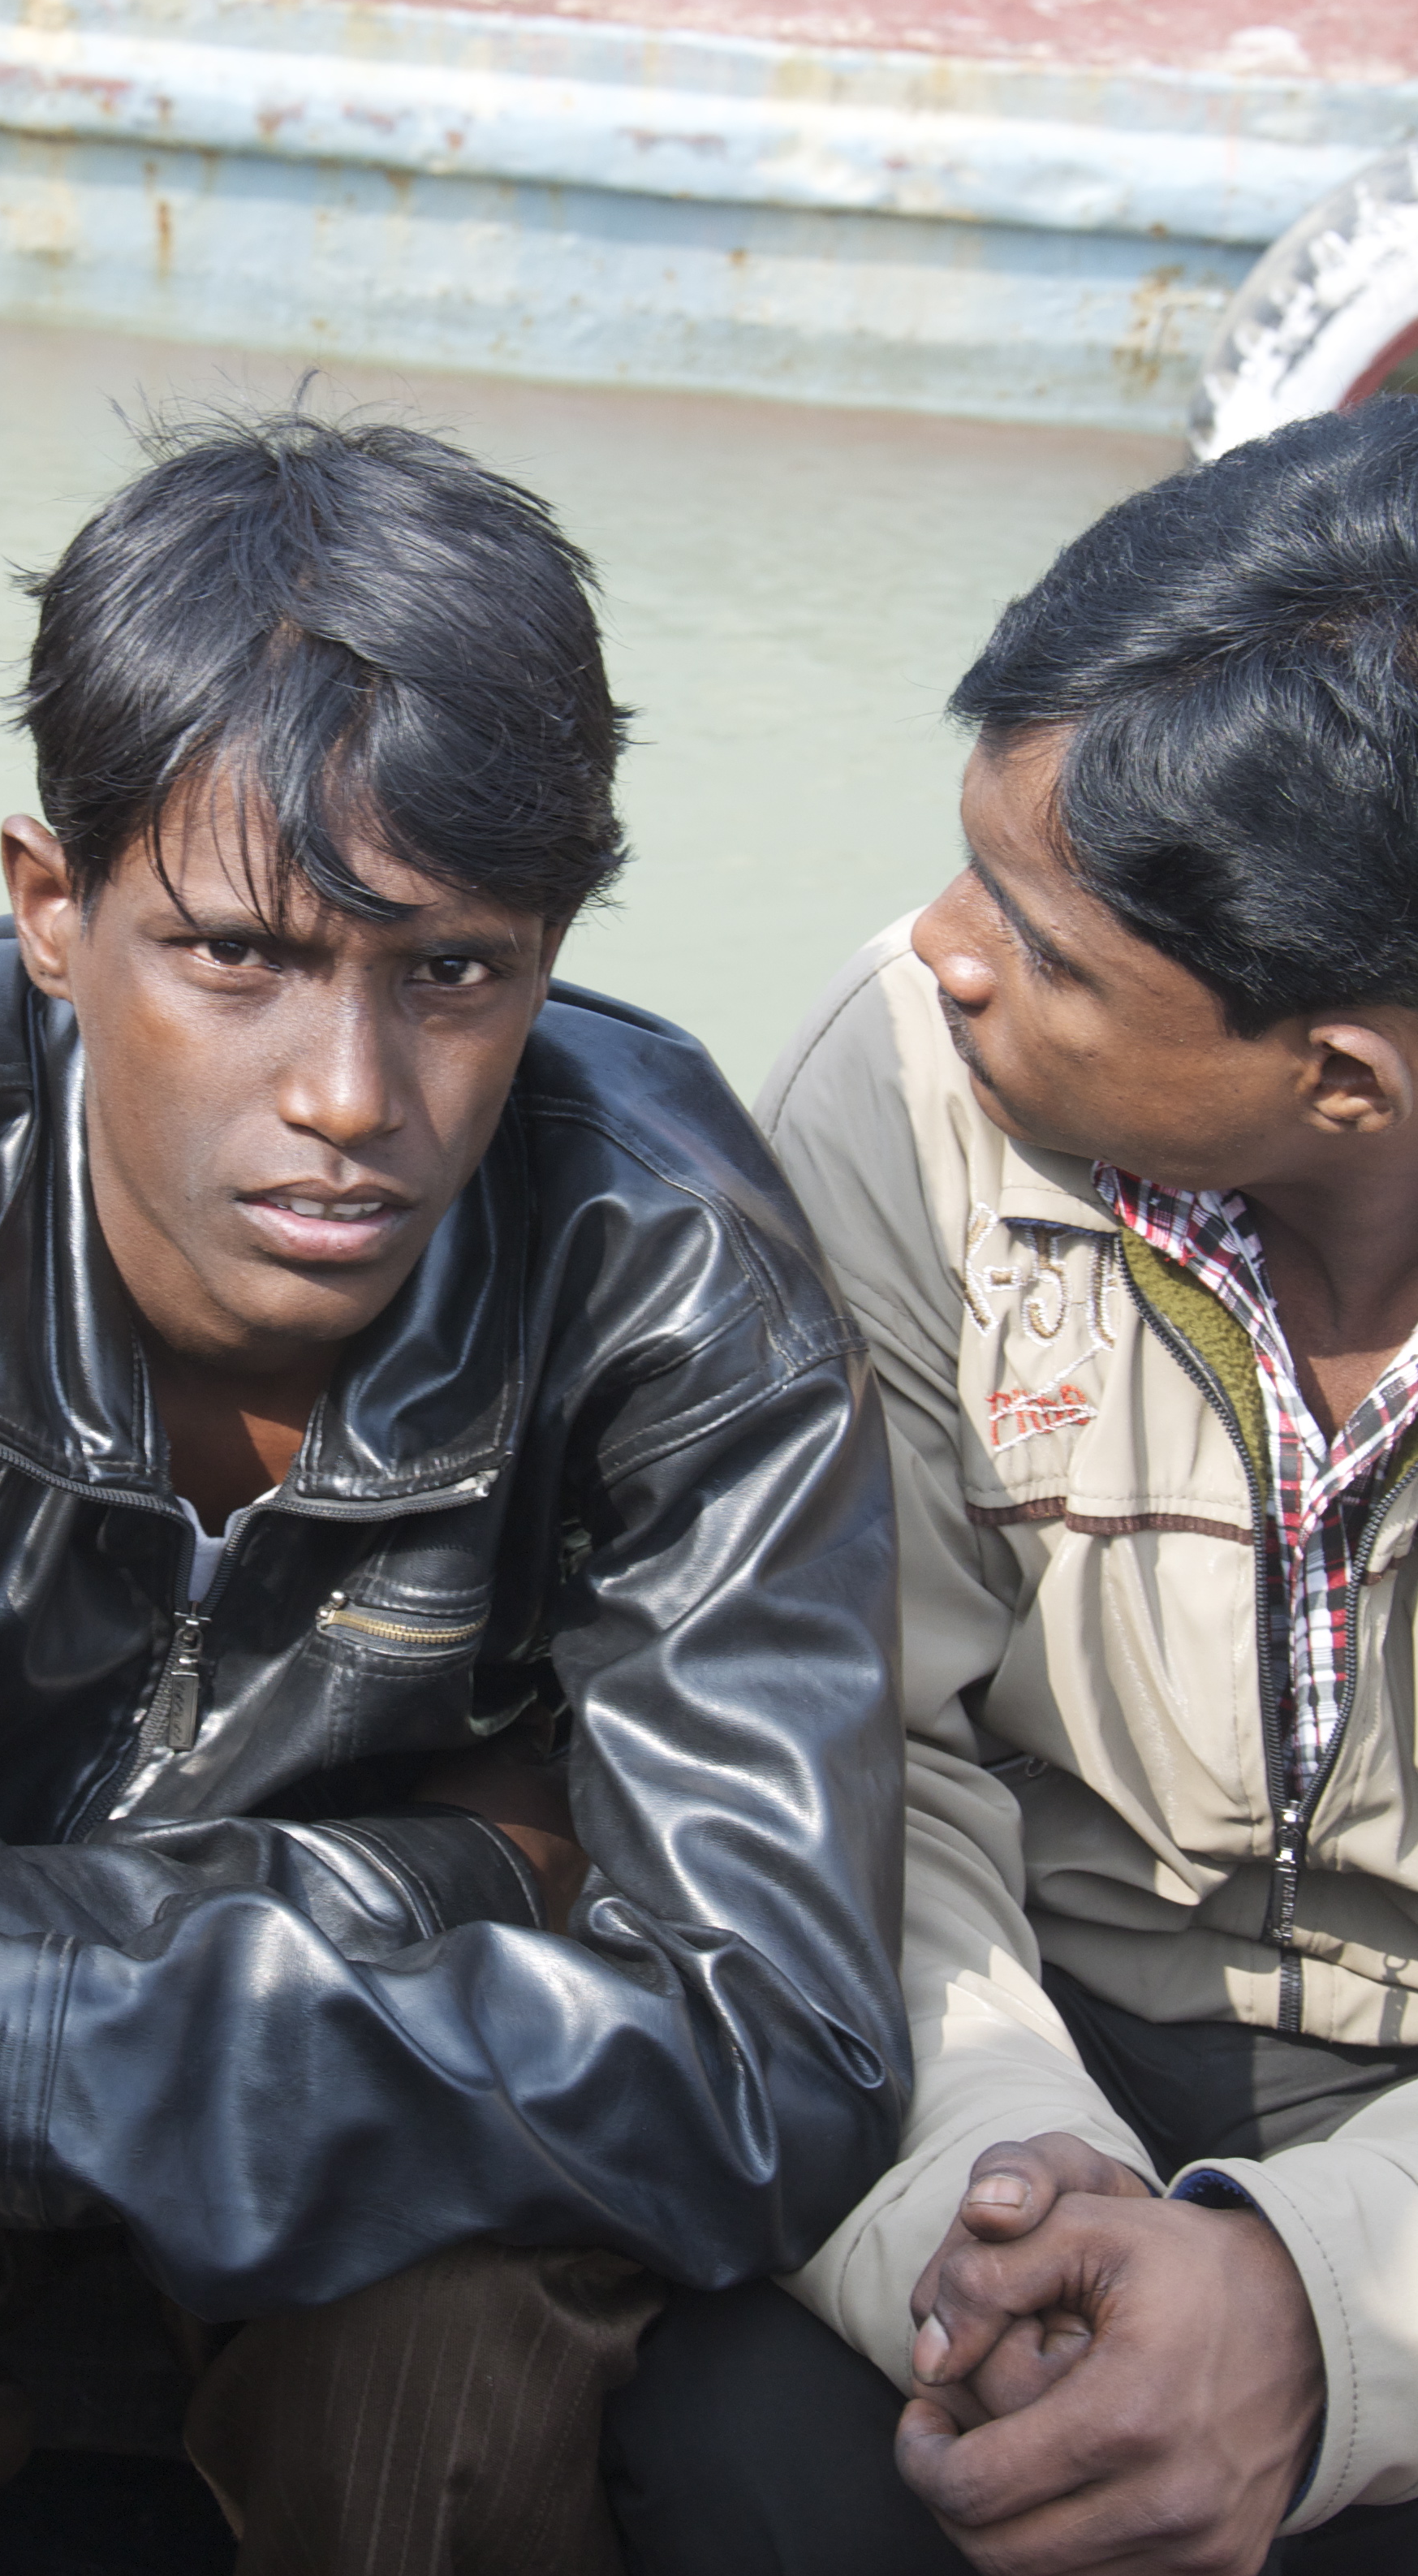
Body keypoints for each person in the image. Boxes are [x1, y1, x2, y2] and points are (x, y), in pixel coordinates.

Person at [0, 409, 907, 2576]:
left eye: (454, 971)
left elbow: (778, 2067)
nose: (350, 1096)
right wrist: (465, 1870)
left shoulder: (673, 1266)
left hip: (333, 2177)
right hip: (122, 2124)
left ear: (551, 954)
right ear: (53, 908)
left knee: (458, 2354)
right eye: (238, 954)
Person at [607, 401, 1418, 2576]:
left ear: (1343, 1078)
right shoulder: (902, 1074)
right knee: (752, 2450)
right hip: (1020, 2036)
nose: (943, 949)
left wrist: (1320, 2318)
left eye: (1050, 947)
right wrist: (1013, 2212)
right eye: (972, 861)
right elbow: (842, 1770)